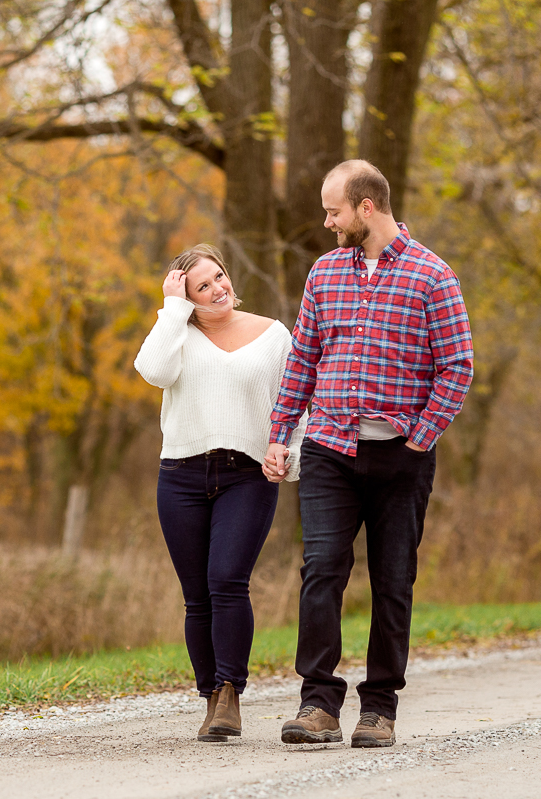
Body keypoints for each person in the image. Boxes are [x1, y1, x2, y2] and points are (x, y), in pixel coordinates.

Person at [263, 160, 473, 748]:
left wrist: (420, 437)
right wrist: (281, 433)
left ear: (366, 208)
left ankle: (379, 707)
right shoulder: (325, 273)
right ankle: (317, 702)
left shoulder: (433, 276)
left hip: (400, 457)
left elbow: (457, 366)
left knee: (393, 580)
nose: (327, 222)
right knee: (321, 570)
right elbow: (303, 359)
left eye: (333, 211)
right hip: (330, 449)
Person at [134, 243, 305, 743]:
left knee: (227, 578)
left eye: (220, 277)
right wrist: (172, 311)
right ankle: (209, 696)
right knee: (196, 596)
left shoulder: (273, 335)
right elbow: (153, 372)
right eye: (202, 285)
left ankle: (230, 691)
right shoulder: (177, 337)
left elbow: (296, 401)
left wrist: (287, 454)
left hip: (246, 475)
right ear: (187, 298)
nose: (217, 289)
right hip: (180, 476)